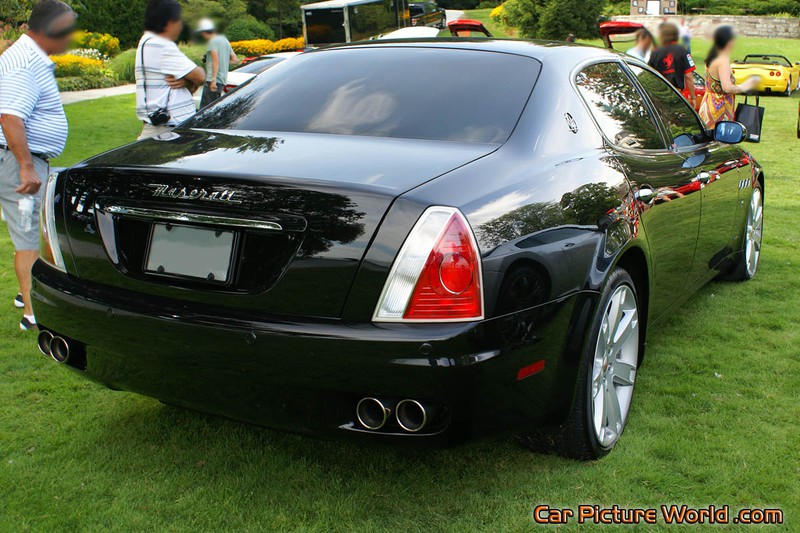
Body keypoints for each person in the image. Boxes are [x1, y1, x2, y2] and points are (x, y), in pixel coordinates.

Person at [0, 0, 76, 331]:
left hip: (21, 159)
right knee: (29, 237)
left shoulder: (27, 56)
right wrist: (26, 167)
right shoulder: (26, 63)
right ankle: (33, 316)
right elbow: (10, 117)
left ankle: (25, 293)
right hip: (19, 163)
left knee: (31, 232)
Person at [135, 0, 205, 139]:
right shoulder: (161, 45)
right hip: (169, 130)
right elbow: (200, 76)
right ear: (169, 22)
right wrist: (189, 80)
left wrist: (186, 82)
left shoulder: (146, 41)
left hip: (163, 127)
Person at [698, 26, 760, 129]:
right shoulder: (723, 60)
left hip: (708, 105)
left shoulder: (712, 57)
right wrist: (745, 86)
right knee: (721, 137)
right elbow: (727, 88)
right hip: (720, 108)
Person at [649, 22, 697, 109]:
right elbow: (688, 75)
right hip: (676, 94)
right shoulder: (683, 51)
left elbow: (650, 76)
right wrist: (693, 97)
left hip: (660, 95)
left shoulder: (655, 52)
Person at [196, 18, 239, 108]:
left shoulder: (212, 41)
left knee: (205, 109)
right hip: (222, 81)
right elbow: (235, 60)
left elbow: (215, 60)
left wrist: (213, 81)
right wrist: (223, 61)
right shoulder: (224, 40)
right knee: (214, 108)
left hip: (212, 81)